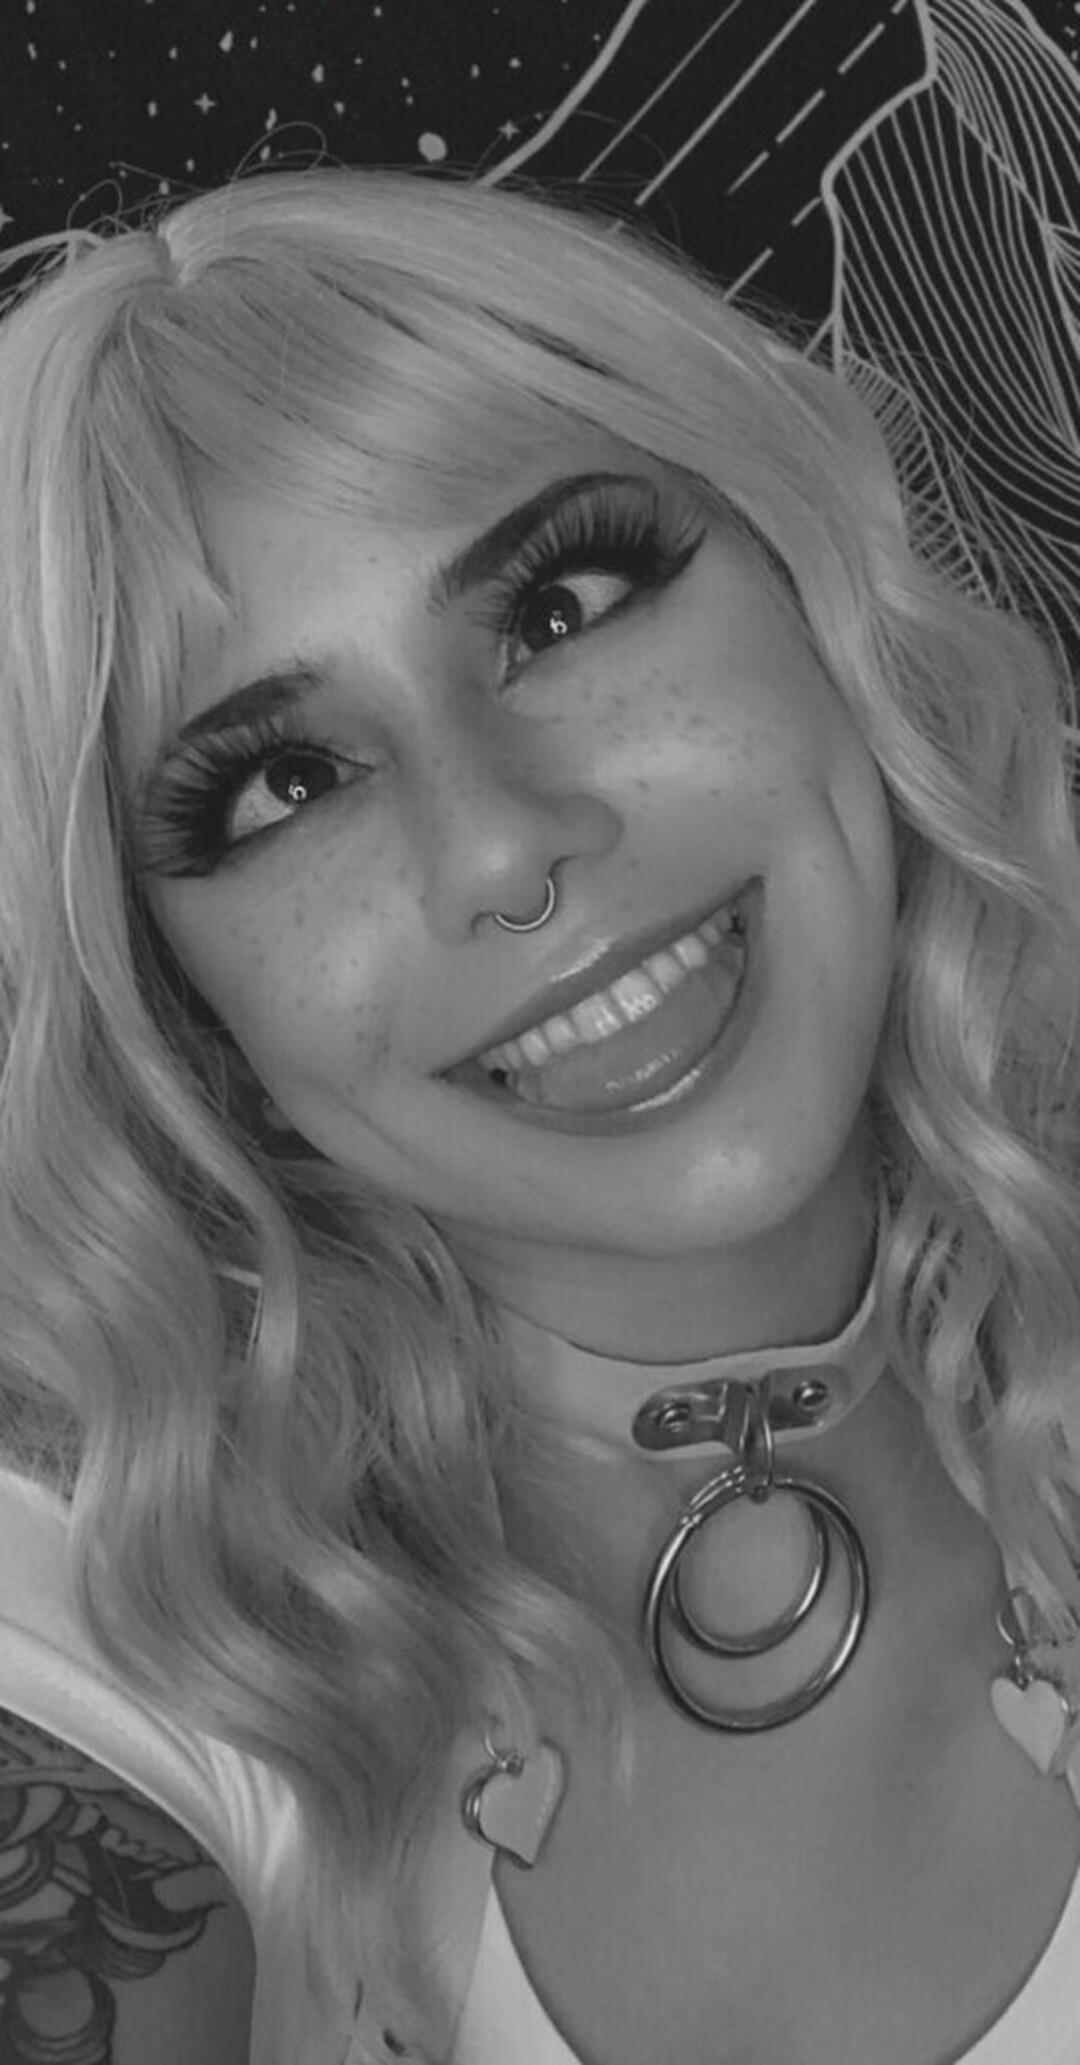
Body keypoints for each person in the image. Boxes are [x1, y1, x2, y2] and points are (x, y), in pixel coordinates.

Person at [1, 164, 1079, 2065]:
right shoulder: (111, 1615)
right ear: (184, 1007)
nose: (505, 845)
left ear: (814, 591)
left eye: (561, 606)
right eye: (283, 784)